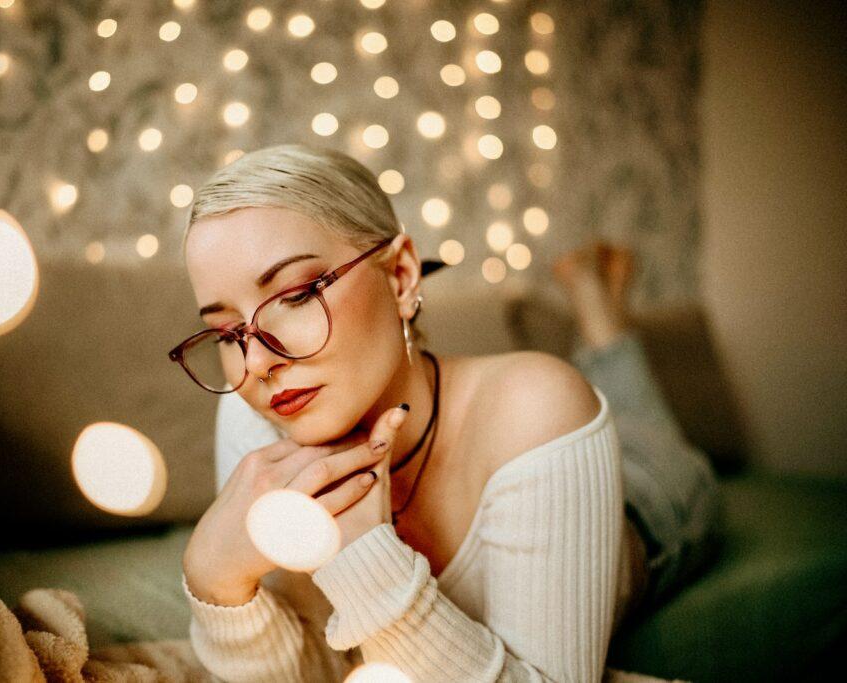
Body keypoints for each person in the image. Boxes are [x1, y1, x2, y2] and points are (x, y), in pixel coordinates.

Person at [169, 143, 723, 682]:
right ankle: (597, 309)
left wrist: (370, 564)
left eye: (295, 294)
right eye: (225, 331)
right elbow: (307, 670)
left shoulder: (536, 405)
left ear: (401, 276)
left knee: (645, 428)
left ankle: (599, 311)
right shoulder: (253, 414)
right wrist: (216, 586)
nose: (257, 360)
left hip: (652, 503)